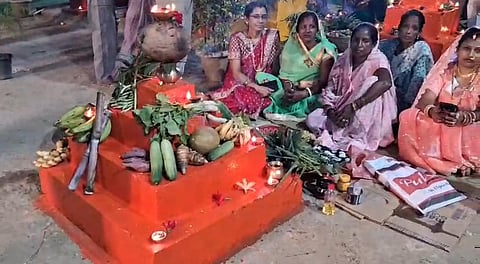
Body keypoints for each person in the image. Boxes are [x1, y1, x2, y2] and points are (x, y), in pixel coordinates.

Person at [398, 27, 480, 176]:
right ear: (457, 50)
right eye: (467, 49)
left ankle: (462, 159)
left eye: (478, 51)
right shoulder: (445, 72)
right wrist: (433, 111)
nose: (471, 55)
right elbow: (425, 99)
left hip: (469, 126)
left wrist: (466, 117)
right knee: (408, 116)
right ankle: (447, 160)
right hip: (441, 121)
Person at [306, 23, 397, 152]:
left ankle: (354, 133)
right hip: (341, 110)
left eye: (365, 41)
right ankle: (341, 127)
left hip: (363, 115)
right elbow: (330, 89)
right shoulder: (344, 59)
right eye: (356, 40)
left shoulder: (378, 60)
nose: (359, 45)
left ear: (374, 44)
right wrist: (331, 112)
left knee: (372, 83)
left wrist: (353, 107)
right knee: (312, 118)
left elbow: (386, 83)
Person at [260, 11, 336, 122]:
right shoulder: (290, 48)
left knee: (317, 102)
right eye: (303, 27)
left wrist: (304, 93)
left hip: (312, 92)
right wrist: (288, 86)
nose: (308, 31)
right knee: (263, 79)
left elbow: (323, 83)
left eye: (312, 27)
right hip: (290, 89)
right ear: (297, 30)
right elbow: (284, 74)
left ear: (317, 29)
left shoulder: (325, 51)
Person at [209, 1, 281, 119]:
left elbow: (274, 66)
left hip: (263, 81)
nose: (260, 20)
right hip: (240, 82)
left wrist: (271, 84)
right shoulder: (237, 39)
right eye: (256, 17)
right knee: (243, 100)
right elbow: (236, 72)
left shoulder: (271, 37)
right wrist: (256, 87)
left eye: (263, 17)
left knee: (277, 99)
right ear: (247, 19)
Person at [379, 10, 434, 114]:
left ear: (418, 33)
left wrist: (403, 109)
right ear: (399, 27)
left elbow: (418, 82)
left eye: (414, 28)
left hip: (404, 105)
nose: (408, 31)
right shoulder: (388, 46)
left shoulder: (421, 50)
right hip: (381, 95)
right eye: (405, 26)